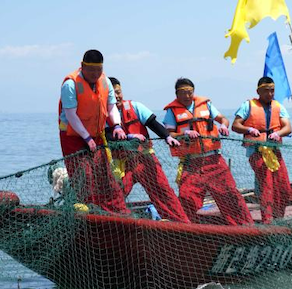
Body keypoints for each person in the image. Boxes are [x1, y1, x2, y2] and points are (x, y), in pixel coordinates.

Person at [163, 78, 253, 225]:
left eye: (189, 92)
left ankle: (244, 226)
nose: (187, 96)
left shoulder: (206, 105)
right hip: (191, 162)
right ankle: (187, 229)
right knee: (187, 196)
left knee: (229, 195)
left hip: (214, 160)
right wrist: (183, 134)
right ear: (176, 94)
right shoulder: (171, 112)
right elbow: (168, 134)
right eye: (183, 93)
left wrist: (224, 126)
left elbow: (222, 119)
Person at [107, 77, 190, 222]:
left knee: (163, 192)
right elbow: (107, 135)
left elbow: (153, 123)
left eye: (118, 92)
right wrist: (130, 136)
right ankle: (113, 224)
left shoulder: (135, 106)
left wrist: (167, 137)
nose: (117, 96)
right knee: (115, 195)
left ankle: (181, 223)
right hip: (121, 164)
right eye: (112, 94)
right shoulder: (103, 114)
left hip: (145, 160)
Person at [58, 49, 130, 214]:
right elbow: (71, 115)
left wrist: (117, 126)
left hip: (96, 135)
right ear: (82, 66)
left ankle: (116, 209)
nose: (95, 74)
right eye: (91, 70)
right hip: (73, 136)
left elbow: (111, 107)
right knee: (85, 174)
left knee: (104, 174)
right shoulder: (70, 84)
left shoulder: (105, 81)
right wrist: (86, 137)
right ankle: (90, 210)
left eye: (98, 70)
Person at [231, 77, 292, 224]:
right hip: (256, 151)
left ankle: (279, 218)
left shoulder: (278, 106)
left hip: (274, 151)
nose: (269, 94)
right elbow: (235, 125)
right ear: (258, 91)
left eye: (272, 90)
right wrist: (249, 129)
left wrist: (278, 133)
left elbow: (288, 127)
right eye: (266, 91)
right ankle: (268, 221)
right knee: (267, 185)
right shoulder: (248, 105)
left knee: (284, 187)